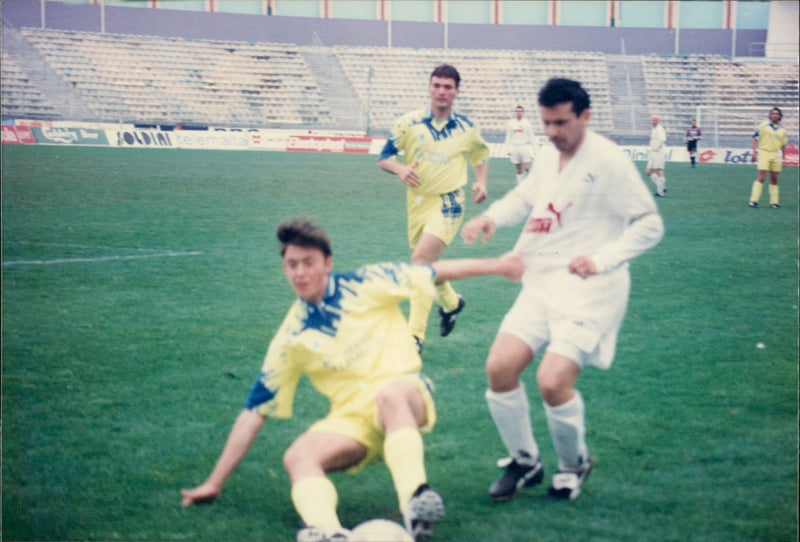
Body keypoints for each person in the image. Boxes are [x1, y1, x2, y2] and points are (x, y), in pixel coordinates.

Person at [181, 218, 525, 542]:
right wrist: (214, 482)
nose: (300, 272)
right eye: (292, 264)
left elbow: (433, 271)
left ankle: (416, 505)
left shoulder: (365, 283)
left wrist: (499, 264)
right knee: (297, 456)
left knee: (390, 394)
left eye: (308, 262)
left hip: (403, 397)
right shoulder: (291, 336)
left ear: (327, 263)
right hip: (353, 423)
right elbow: (255, 410)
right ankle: (329, 531)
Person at [461, 78, 664, 503]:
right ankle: (525, 460)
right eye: (546, 123)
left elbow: (650, 224)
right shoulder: (546, 156)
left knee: (552, 381)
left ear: (584, 117)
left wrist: (602, 259)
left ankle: (574, 464)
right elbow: (526, 197)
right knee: (499, 368)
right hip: (543, 282)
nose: (553, 132)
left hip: (593, 289)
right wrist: (491, 220)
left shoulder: (608, 160)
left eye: (561, 123)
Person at [377, 63, 490, 353]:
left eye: (448, 87)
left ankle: (414, 337)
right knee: (425, 264)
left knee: (420, 263)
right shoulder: (409, 123)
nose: (441, 91)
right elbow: (384, 157)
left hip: (449, 202)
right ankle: (451, 304)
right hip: (416, 203)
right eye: (437, 85)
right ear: (429, 88)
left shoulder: (467, 128)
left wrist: (481, 182)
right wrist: (399, 170)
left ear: (456, 92)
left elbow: (480, 155)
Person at [749, 107, 787, 209]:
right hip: (764, 153)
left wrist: (784, 159)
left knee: (774, 179)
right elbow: (755, 139)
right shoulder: (763, 126)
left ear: (780, 116)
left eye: (777, 114)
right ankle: (754, 200)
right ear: (770, 115)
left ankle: (774, 202)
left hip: (775, 154)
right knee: (761, 176)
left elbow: (783, 145)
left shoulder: (782, 130)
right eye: (773, 113)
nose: (775, 115)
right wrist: (754, 153)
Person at [504, 105, 536, 183]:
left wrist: (535, 148)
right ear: (515, 112)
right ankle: (520, 185)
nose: (519, 113)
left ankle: (529, 182)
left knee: (527, 168)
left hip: (524, 146)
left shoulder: (527, 123)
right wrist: (507, 149)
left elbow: (531, 136)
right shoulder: (511, 123)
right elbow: (508, 136)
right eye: (517, 111)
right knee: (518, 169)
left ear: (523, 112)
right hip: (515, 147)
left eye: (520, 111)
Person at [646, 114, 667, 196]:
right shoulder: (653, 129)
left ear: (659, 121)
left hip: (659, 151)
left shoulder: (660, 129)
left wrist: (656, 148)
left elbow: (662, 139)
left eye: (655, 120)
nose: (653, 122)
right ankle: (662, 186)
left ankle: (660, 192)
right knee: (648, 171)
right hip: (653, 152)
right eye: (652, 120)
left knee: (659, 170)